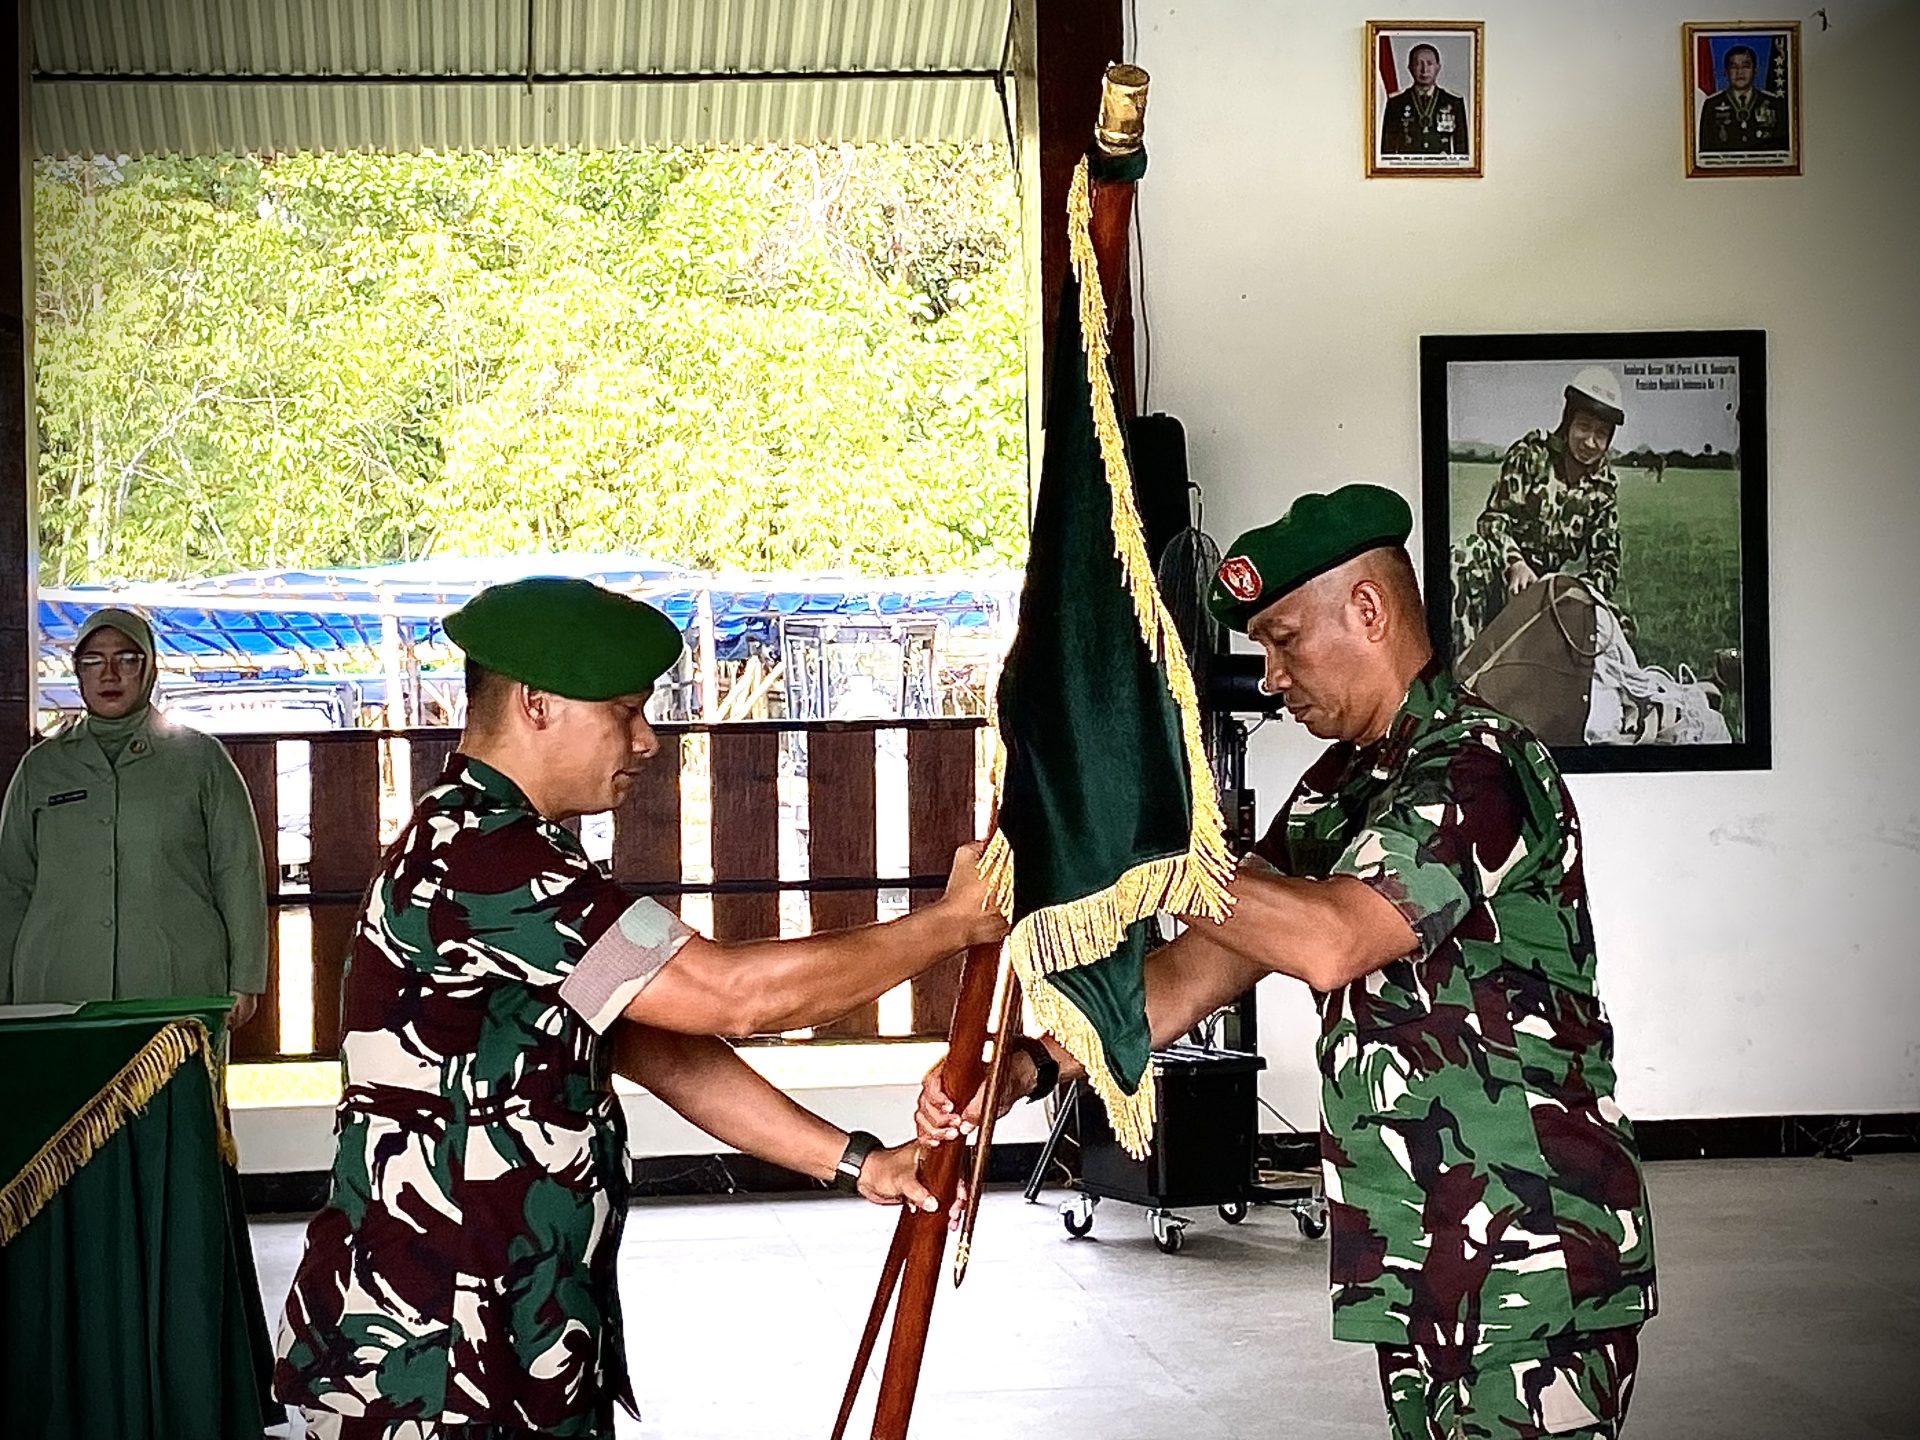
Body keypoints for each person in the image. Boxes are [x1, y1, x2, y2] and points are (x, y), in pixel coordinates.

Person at [921, 487, 1657, 1440]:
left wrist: (1149, 858)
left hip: (1535, 1244)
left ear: (1369, 610)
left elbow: (1332, 940)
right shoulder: (1341, 785)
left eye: (1283, 640)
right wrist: (1029, 1064)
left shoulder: (1476, 764)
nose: (1271, 678)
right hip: (1429, 1247)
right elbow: (1202, 969)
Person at [273, 577, 1007, 1440]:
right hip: (436, 1351)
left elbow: (664, 1049)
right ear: (537, 704)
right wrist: (951, 924)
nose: (647, 738)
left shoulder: (519, 851)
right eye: (624, 711)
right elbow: (732, 995)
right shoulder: (486, 858)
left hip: (511, 1328)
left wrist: (855, 1162)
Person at [0, 606, 266, 1029]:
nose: (109, 674)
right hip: (58, 989)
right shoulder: (42, 767)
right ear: (77, 671)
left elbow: (238, 870)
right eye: (93, 661)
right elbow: (11, 884)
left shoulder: (200, 760)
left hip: (176, 987)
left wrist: (245, 980)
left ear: (149, 667)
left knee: (173, 1076)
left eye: (126, 659)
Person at [1450, 366, 1627, 656]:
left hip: (1552, 594)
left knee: (1619, 624)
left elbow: (1606, 563)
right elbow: (1493, 520)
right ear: (1568, 421)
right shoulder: (1531, 455)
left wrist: (1569, 590)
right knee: (1464, 555)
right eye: (1583, 426)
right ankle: (1465, 669)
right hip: (1504, 580)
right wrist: (1515, 563)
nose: (1590, 442)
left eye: (1601, 433)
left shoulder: (1604, 486)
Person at [1380, 43, 1470, 157]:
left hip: (1441, 165)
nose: (1424, 70)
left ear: (1438, 67)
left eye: (1429, 63)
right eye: (1418, 64)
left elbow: (1462, 148)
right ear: (1410, 68)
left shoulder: (1454, 102)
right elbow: (1387, 149)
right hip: (1408, 165)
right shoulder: (1396, 103)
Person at [1698, 44, 1789, 153]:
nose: (1740, 72)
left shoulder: (1775, 104)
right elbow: (1706, 148)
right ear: (1726, 72)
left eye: (1746, 66)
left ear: (1755, 71)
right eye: (1734, 67)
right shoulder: (1712, 105)